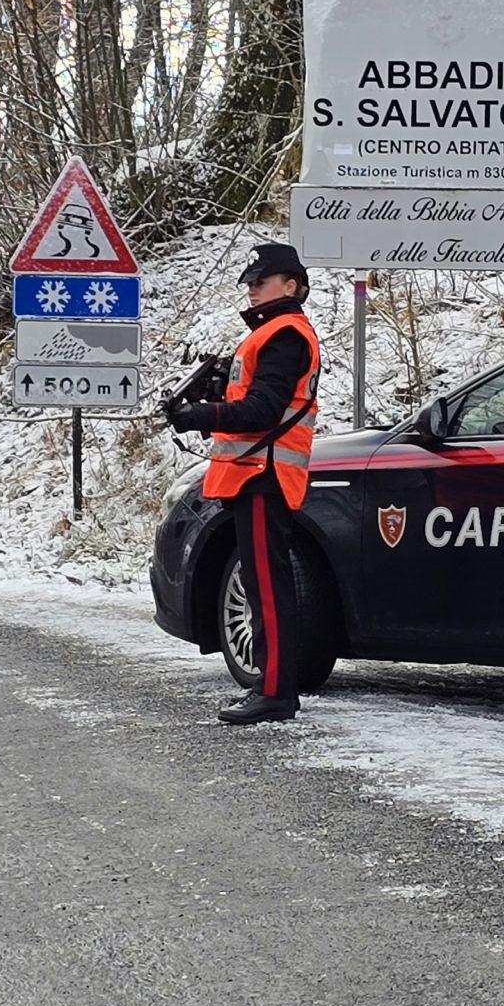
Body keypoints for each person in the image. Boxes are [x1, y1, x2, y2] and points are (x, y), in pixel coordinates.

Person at [164, 242, 321, 724]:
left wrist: (200, 415)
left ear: (290, 286)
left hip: (265, 474)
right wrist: (214, 399)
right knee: (260, 584)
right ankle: (273, 688)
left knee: (267, 587)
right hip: (257, 472)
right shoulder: (272, 333)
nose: (251, 290)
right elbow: (255, 399)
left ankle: (275, 692)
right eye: (250, 283)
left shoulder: (284, 334)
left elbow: (262, 410)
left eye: (261, 281)